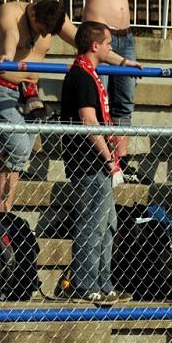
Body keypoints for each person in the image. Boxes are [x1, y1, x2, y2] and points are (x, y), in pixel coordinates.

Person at [0, 0, 142, 213]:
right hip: (2, 90)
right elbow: (12, 35)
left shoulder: (56, 17)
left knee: (17, 158)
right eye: (42, 30)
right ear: (33, 15)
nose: (45, 35)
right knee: (19, 149)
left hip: (28, 93)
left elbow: (88, 43)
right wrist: (9, 56)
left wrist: (123, 62)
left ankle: (2, 213)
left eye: (51, 33)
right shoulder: (11, 11)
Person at [76, 0, 166, 180]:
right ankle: (98, 155)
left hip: (124, 35)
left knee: (124, 100)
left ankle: (121, 158)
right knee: (96, 98)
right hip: (98, 36)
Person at [60, 21, 132, 305]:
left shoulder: (90, 75)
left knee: (108, 225)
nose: (110, 48)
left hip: (97, 165)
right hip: (88, 163)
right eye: (107, 43)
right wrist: (109, 157)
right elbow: (88, 120)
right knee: (92, 224)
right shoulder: (81, 76)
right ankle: (85, 283)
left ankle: (103, 282)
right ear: (95, 46)